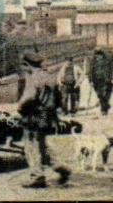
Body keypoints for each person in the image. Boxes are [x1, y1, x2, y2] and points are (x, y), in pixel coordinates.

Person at [18, 52, 69, 188]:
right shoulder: (50, 77)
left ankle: (37, 176)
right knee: (42, 143)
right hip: (47, 115)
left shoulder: (33, 78)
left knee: (31, 145)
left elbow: (29, 97)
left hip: (33, 115)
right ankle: (59, 166)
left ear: (27, 65)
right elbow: (58, 97)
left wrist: (20, 107)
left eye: (24, 66)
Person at [89, 48, 113, 116]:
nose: (98, 56)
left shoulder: (107, 61)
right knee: (100, 95)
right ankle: (105, 105)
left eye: (99, 55)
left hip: (106, 80)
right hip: (96, 81)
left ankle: (104, 109)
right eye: (96, 55)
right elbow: (90, 72)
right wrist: (91, 80)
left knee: (105, 94)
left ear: (102, 55)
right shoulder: (93, 62)